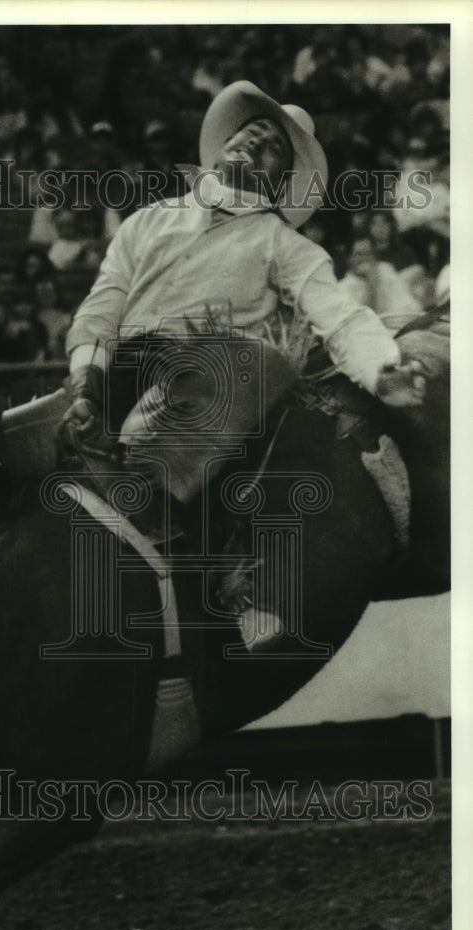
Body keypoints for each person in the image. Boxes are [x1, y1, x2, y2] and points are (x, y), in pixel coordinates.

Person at [62, 81, 427, 643]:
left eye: (272, 146)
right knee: (1, 442)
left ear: (281, 178)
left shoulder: (284, 245)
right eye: (247, 133)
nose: (253, 143)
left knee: (245, 366)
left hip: (210, 382)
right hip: (117, 376)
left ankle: (233, 581)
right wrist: (86, 383)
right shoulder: (148, 220)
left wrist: (383, 370)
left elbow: (340, 315)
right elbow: (101, 307)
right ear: (223, 146)